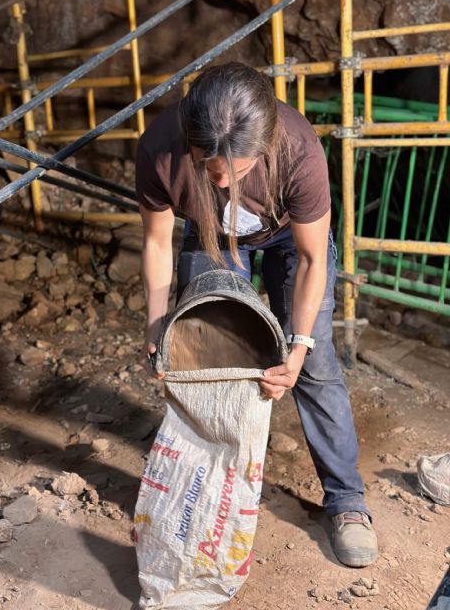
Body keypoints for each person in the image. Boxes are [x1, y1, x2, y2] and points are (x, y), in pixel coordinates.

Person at [135, 62, 378, 568]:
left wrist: (300, 344)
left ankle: (347, 503)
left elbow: (313, 260)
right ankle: (212, 495)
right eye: (209, 166)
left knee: (313, 366)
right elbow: (157, 242)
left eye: (237, 170)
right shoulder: (160, 149)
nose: (222, 179)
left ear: (264, 147)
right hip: (209, 234)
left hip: (291, 239)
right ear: (189, 139)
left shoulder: (299, 151)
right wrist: (158, 324)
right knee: (205, 350)